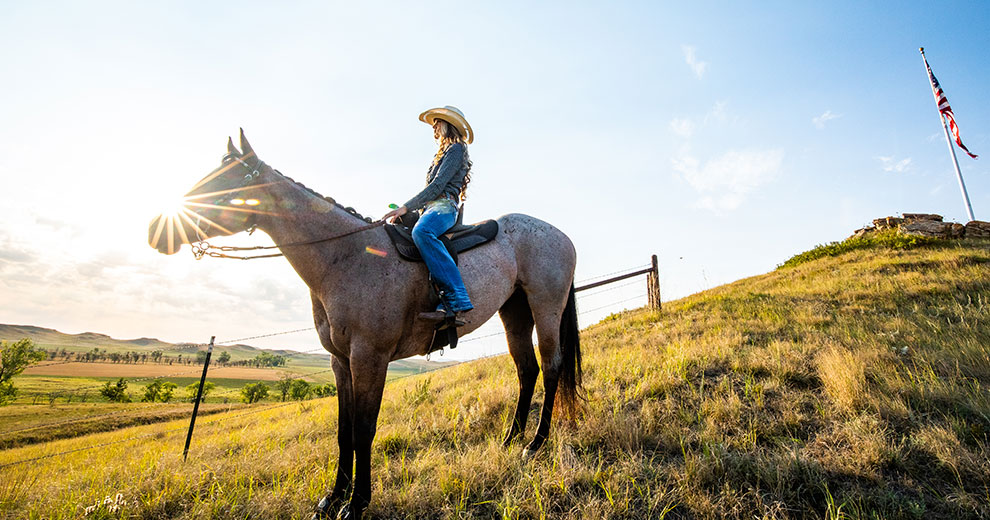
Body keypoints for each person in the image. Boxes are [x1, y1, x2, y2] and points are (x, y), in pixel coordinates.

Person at [383, 106, 475, 323]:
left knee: (422, 232)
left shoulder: (457, 149)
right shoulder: (441, 154)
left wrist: (406, 206)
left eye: (438, 121)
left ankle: (457, 297)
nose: (434, 126)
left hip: (444, 207)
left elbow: (437, 186)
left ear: (448, 124)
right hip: (430, 207)